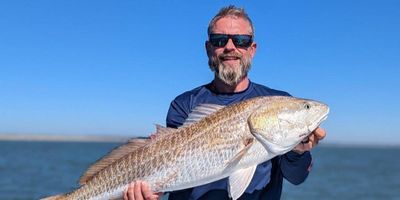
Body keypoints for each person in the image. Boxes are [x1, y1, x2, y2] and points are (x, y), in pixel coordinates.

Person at [124, 5, 326, 200]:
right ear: (208, 48)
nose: (230, 47)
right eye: (219, 40)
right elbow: (174, 169)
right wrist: (149, 192)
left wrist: (299, 151)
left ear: (252, 49)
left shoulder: (278, 99)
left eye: (241, 40)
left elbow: (297, 177)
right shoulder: (184, 104)